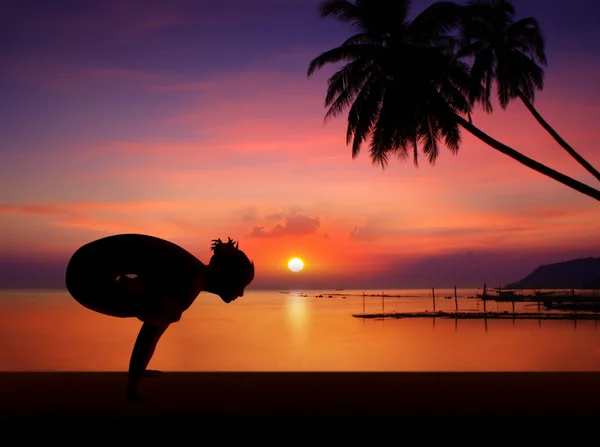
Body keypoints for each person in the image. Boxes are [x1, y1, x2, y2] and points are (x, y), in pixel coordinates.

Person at [65, 233, 255, 402]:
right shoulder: (189, 283)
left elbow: (150, 333)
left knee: (164, 313)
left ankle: (136, 290)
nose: (241, 294)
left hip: (84, 267)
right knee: (165, 313)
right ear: (227, 276)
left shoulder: (190, 276)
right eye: (241, 285)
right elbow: (149, 336)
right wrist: (133, 389)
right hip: (85, 277)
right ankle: (134, 289)